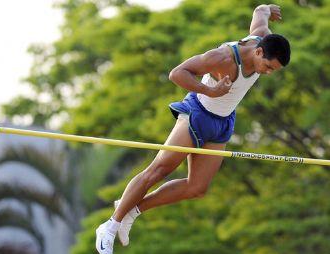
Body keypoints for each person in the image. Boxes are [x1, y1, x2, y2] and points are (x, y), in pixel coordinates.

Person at [96, 4, 290, 254]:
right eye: (269, 67)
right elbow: (177, 73)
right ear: (259, 52)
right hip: (198, 113)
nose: (269, 73)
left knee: (197, 188)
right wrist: (210, 90)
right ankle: (110, 225)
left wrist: (267, 8)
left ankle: (132, 209)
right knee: (159, 170)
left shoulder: (262, 35)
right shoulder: (223, 58)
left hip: (223, 121)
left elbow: (260, 12)